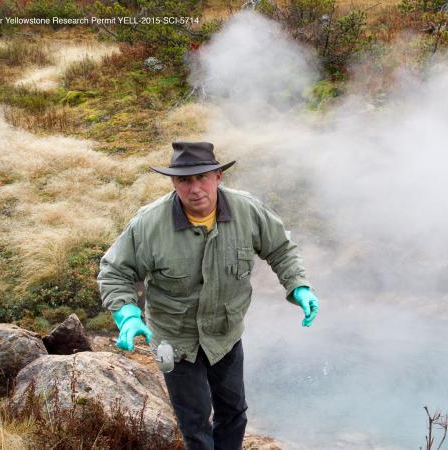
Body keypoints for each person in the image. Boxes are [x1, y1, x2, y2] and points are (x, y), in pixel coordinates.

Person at [97, 141, 320, 450]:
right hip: (174, 341)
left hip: (224, 334)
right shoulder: (148, 224)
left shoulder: (248, 210)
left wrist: (299, 287)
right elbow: (114, 272)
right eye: (184, 180)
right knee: (195, 422)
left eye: (202, 177)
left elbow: (281, 249)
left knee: (234, 412)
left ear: (218, 176)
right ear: (173, 183)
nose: (194, 188)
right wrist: (127, 316)